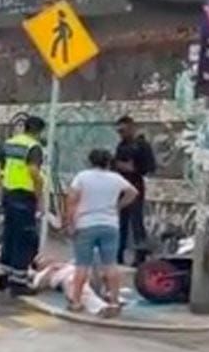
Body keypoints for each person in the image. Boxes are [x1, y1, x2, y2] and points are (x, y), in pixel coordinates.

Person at [65, 148, 138, 316]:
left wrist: (70, 223)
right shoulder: (115, 178)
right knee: (110, 265)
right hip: (110, 225)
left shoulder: (82, 177)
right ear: (108, 162)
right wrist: (118, 206)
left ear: (90, 161)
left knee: (82, 265)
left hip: (86, 225)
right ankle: (114, 300)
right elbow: (133, 192)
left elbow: (71, 201)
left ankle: (76, 301)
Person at [0, 116, 46, 296]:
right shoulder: (33, 147)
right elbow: (33, 171)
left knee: (9, 235)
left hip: (8, 194)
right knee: (24, 239)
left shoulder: (10, 143)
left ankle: (2, 276)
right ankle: (18, 282)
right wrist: (40, 194)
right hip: (24, 196)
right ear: (38, 131)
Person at [114, 116, 156, 266]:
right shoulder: (121, 145)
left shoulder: (141, 145)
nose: (121, 134)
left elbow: (149, 167)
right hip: (121, 186)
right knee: (121, 222)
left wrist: (133, 168)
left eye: (123, 130)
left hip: (135, 185)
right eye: (119, 131)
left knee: (136, 221)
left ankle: (140, 256)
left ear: (131, 127)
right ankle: (118, 253)